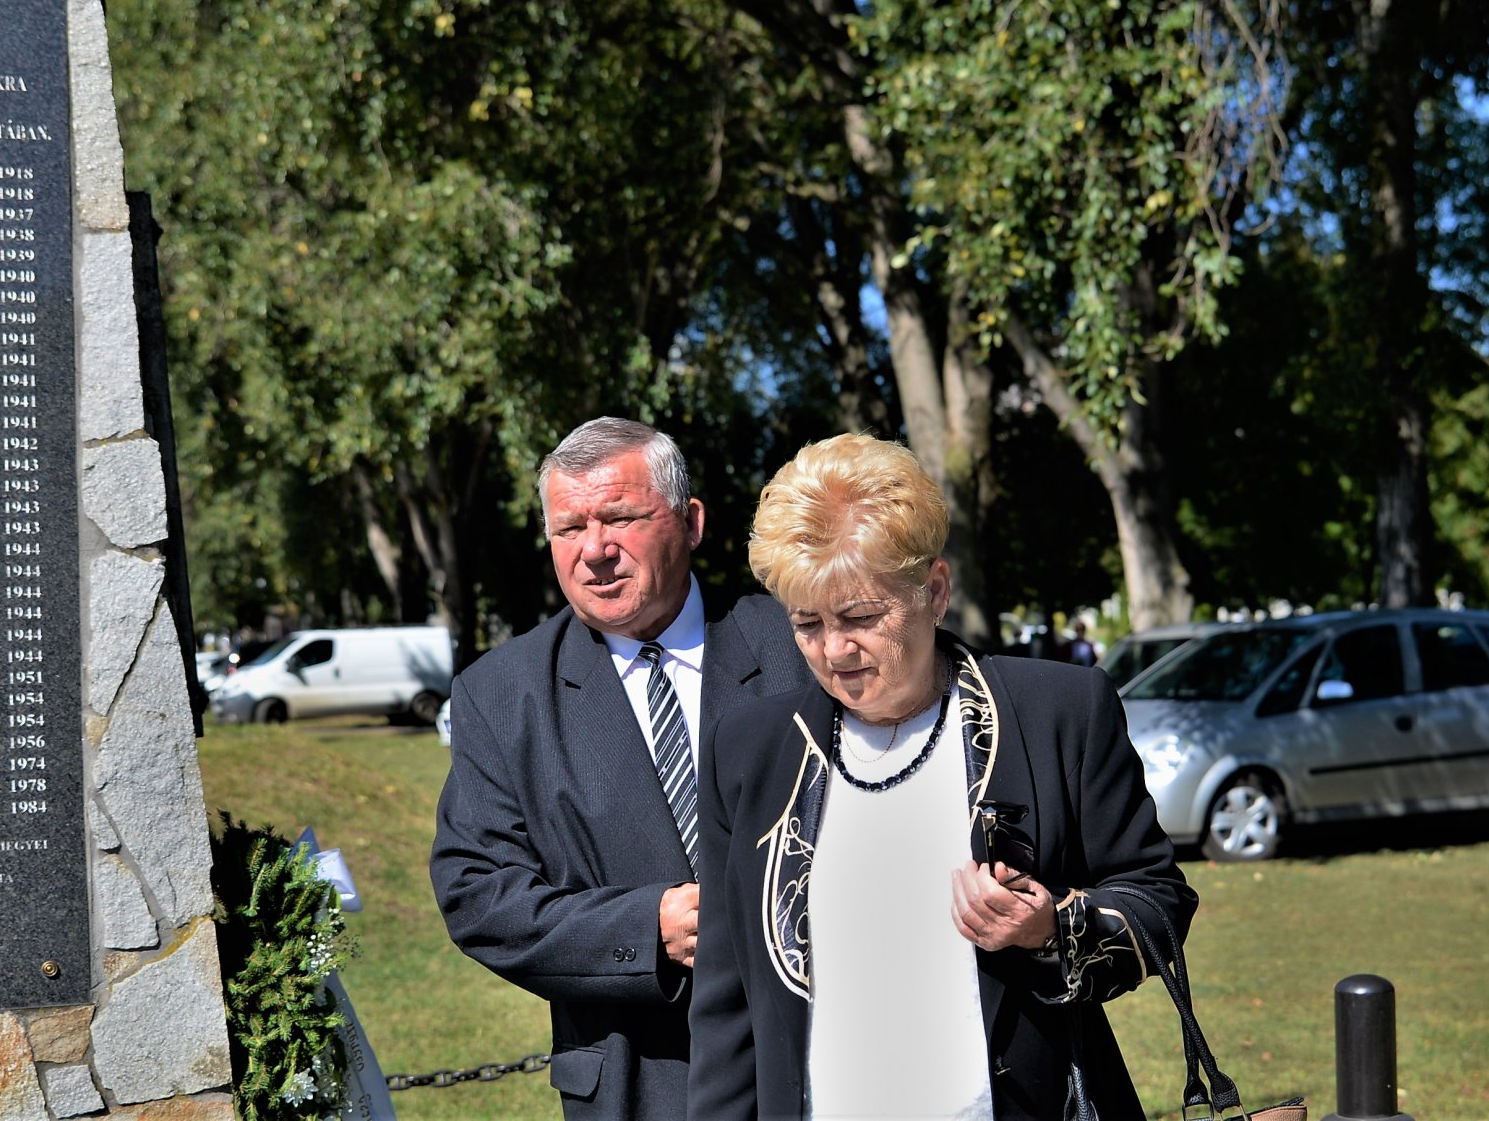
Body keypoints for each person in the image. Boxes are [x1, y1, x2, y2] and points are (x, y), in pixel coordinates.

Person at [688, 433, 1195, 1120]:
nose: (834, 649)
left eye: (860, 616)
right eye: (806, 624)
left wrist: (1051, 927)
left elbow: (1158, 900)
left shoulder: (1058, 712)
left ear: (934, 591)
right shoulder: (748, 750)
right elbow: (727, 1003)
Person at [431, 417, 812, 1121]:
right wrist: (648, 927)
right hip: (641, 1085)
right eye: (569, 528)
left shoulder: (798, 644)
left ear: (691, 522)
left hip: (821, 1062)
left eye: (620, 518)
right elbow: (478, 896)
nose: (594, 551)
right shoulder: (501, 695)